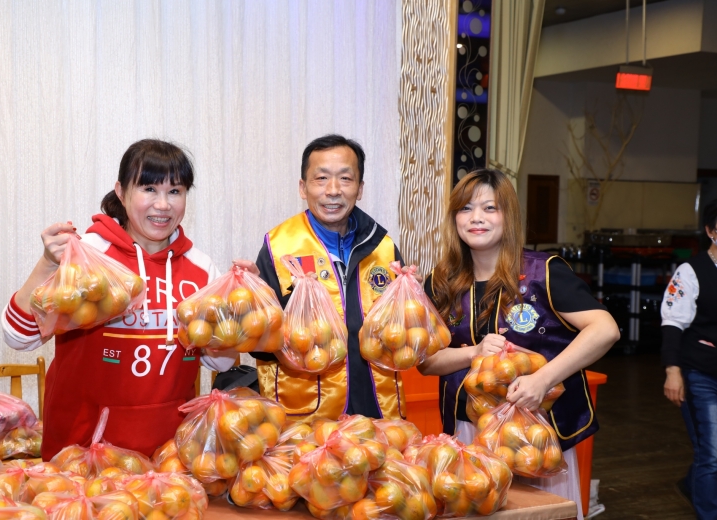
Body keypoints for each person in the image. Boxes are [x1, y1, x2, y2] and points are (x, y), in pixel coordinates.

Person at [2, 139, 238, 459]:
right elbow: (19, 337)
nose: (163, 204)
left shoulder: (201, 268)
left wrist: (237, 311)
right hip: (82, 453)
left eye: (175, 191)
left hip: (167, 457)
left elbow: (220, 361)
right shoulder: (90, 255)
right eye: (149, 189)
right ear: (122, 192)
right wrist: (47, 264)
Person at [418, 169, 619, 514]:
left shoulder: (544, 272)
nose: (476, 218)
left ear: (508, 216)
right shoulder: (441, 281)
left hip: (538, 435)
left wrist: (542, 380)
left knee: (541, 513)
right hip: (469, 429)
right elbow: (426, 362)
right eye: (465, 208)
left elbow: (605, 330)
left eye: (489, 208)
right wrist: (474, 352)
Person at [235, 134, 407, 420]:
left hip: (377, 411)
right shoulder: (279, 247)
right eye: (321, 178)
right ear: (303, 188)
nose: (333, 190)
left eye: (345, 179)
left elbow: (403, 337)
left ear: (360, 188)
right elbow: (259, 347)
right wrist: (254, 306)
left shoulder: (383, 247)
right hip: (306, 419)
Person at [661, 198, 717, 519]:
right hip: (700, 373)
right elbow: (672, 324)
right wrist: (673, 371)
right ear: (711, 231)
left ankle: (691, 484)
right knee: (712, 453)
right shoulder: (690, 271)